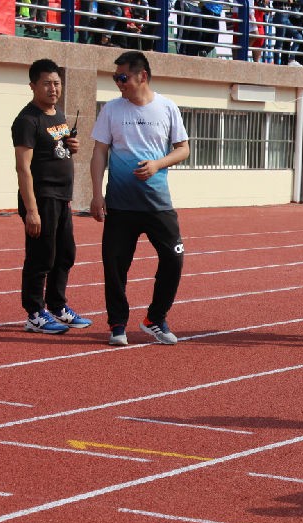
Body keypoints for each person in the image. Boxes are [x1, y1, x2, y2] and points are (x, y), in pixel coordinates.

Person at [90, 51, 190, 346]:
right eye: (115, 78)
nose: (119, 83)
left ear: (141, 76)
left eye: (123, 77)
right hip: (120, 205)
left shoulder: (167, 108)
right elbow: (99, 153)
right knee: (115, 265)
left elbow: (183, 149)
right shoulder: (111, 110)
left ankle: (155, 319)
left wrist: (158, 164)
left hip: (158, 204)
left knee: (174, 260)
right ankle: (117, 323)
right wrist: (96, 195)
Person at [12, 58, 93, 335]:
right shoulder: (27, 120)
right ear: (33, 85)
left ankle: (57, 306)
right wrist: (31, 210)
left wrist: (72, 145)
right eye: (46, 83)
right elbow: (23, 168)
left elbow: (58, 149)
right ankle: (34, 313)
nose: (53, 88)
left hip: (61, 197)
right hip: (42, 197)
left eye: (57, 83)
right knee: (41, 256)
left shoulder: (57, 113)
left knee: (65, 253)